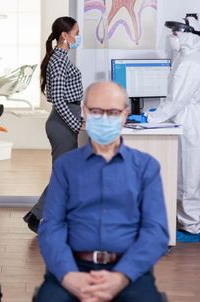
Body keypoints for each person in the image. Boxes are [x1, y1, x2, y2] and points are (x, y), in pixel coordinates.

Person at [36, 81, 169, 302]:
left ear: (125, 115)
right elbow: (52, 227)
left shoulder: (146, 167)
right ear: (85, 113)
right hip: (73, 267)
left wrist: (121, 277)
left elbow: (155, 232)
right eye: (96, 111)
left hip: (128, 271)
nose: (105, 118)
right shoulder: (65, 167)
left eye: (113, 112)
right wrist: (69, 276)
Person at [131, 15, 200, 242]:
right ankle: (187, 220)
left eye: (176, 33)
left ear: (188, 35)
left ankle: (194, 226)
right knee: (183, 172)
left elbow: (177, 100)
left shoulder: (191, 62)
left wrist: (151, 117)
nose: (172, 37)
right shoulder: (184, 57)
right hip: (185, 118)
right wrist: (155, 115)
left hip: (190, 120)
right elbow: (174, 98)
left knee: (189, 174)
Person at [23, 16, 84, 233]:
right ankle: (36, 216)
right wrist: (76, 124)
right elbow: (58, 100)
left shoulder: (62, 58)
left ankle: (53, 216)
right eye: (76, 33)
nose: (78, 37)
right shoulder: (58, 61)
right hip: (63, 123)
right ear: (64, 36)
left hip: (68, 118)